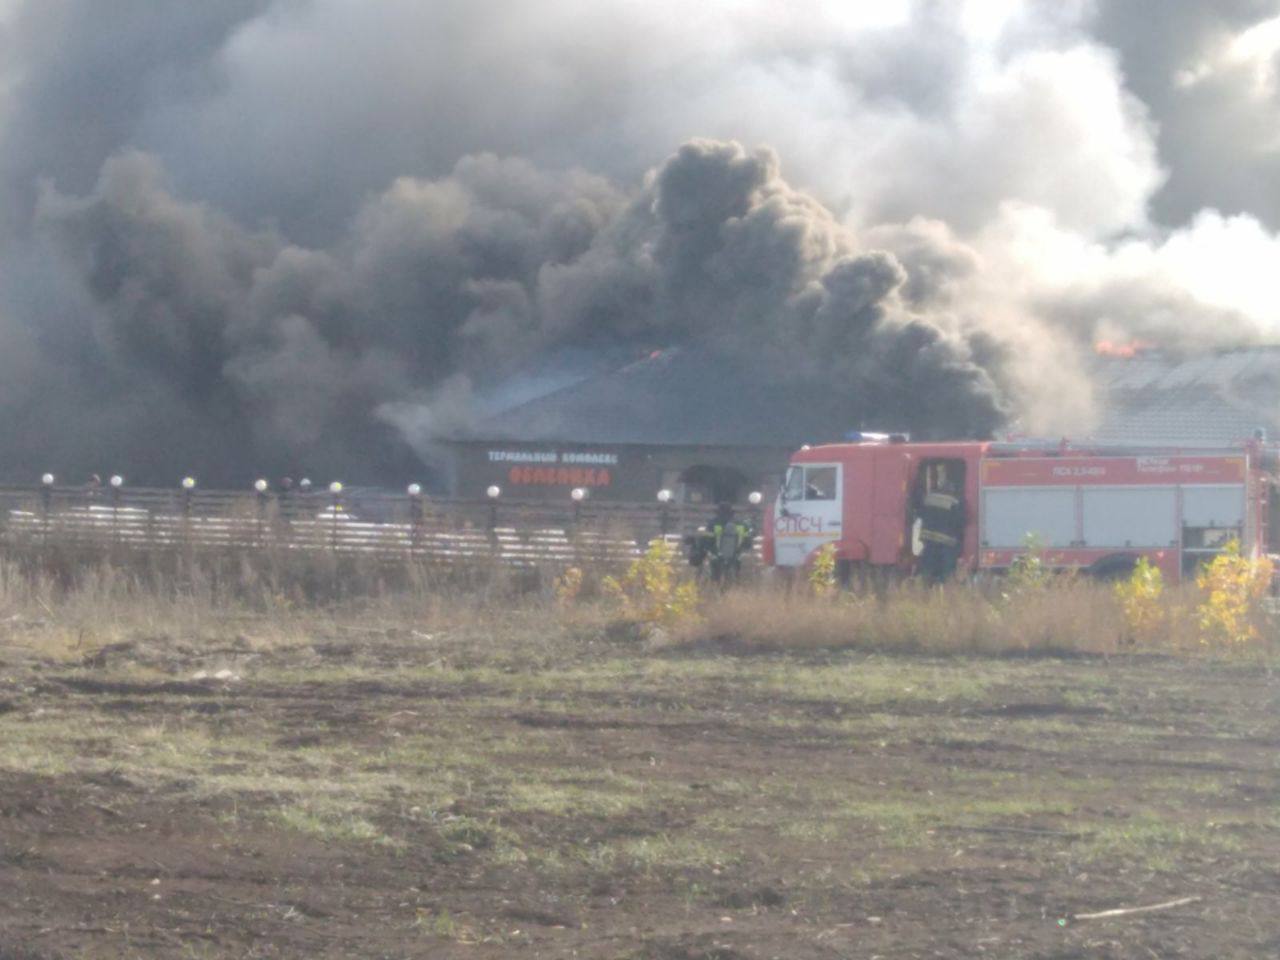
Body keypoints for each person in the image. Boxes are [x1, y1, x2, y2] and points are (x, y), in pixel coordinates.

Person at [918, 464, 964, 584]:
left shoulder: (930, 497)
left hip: (928, 540)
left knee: (927, 570)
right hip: (946, 542)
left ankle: (925, 590)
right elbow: (961, 521)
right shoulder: (954, 502)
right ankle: (943, 589)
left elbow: (921, 514)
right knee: (946, 572)